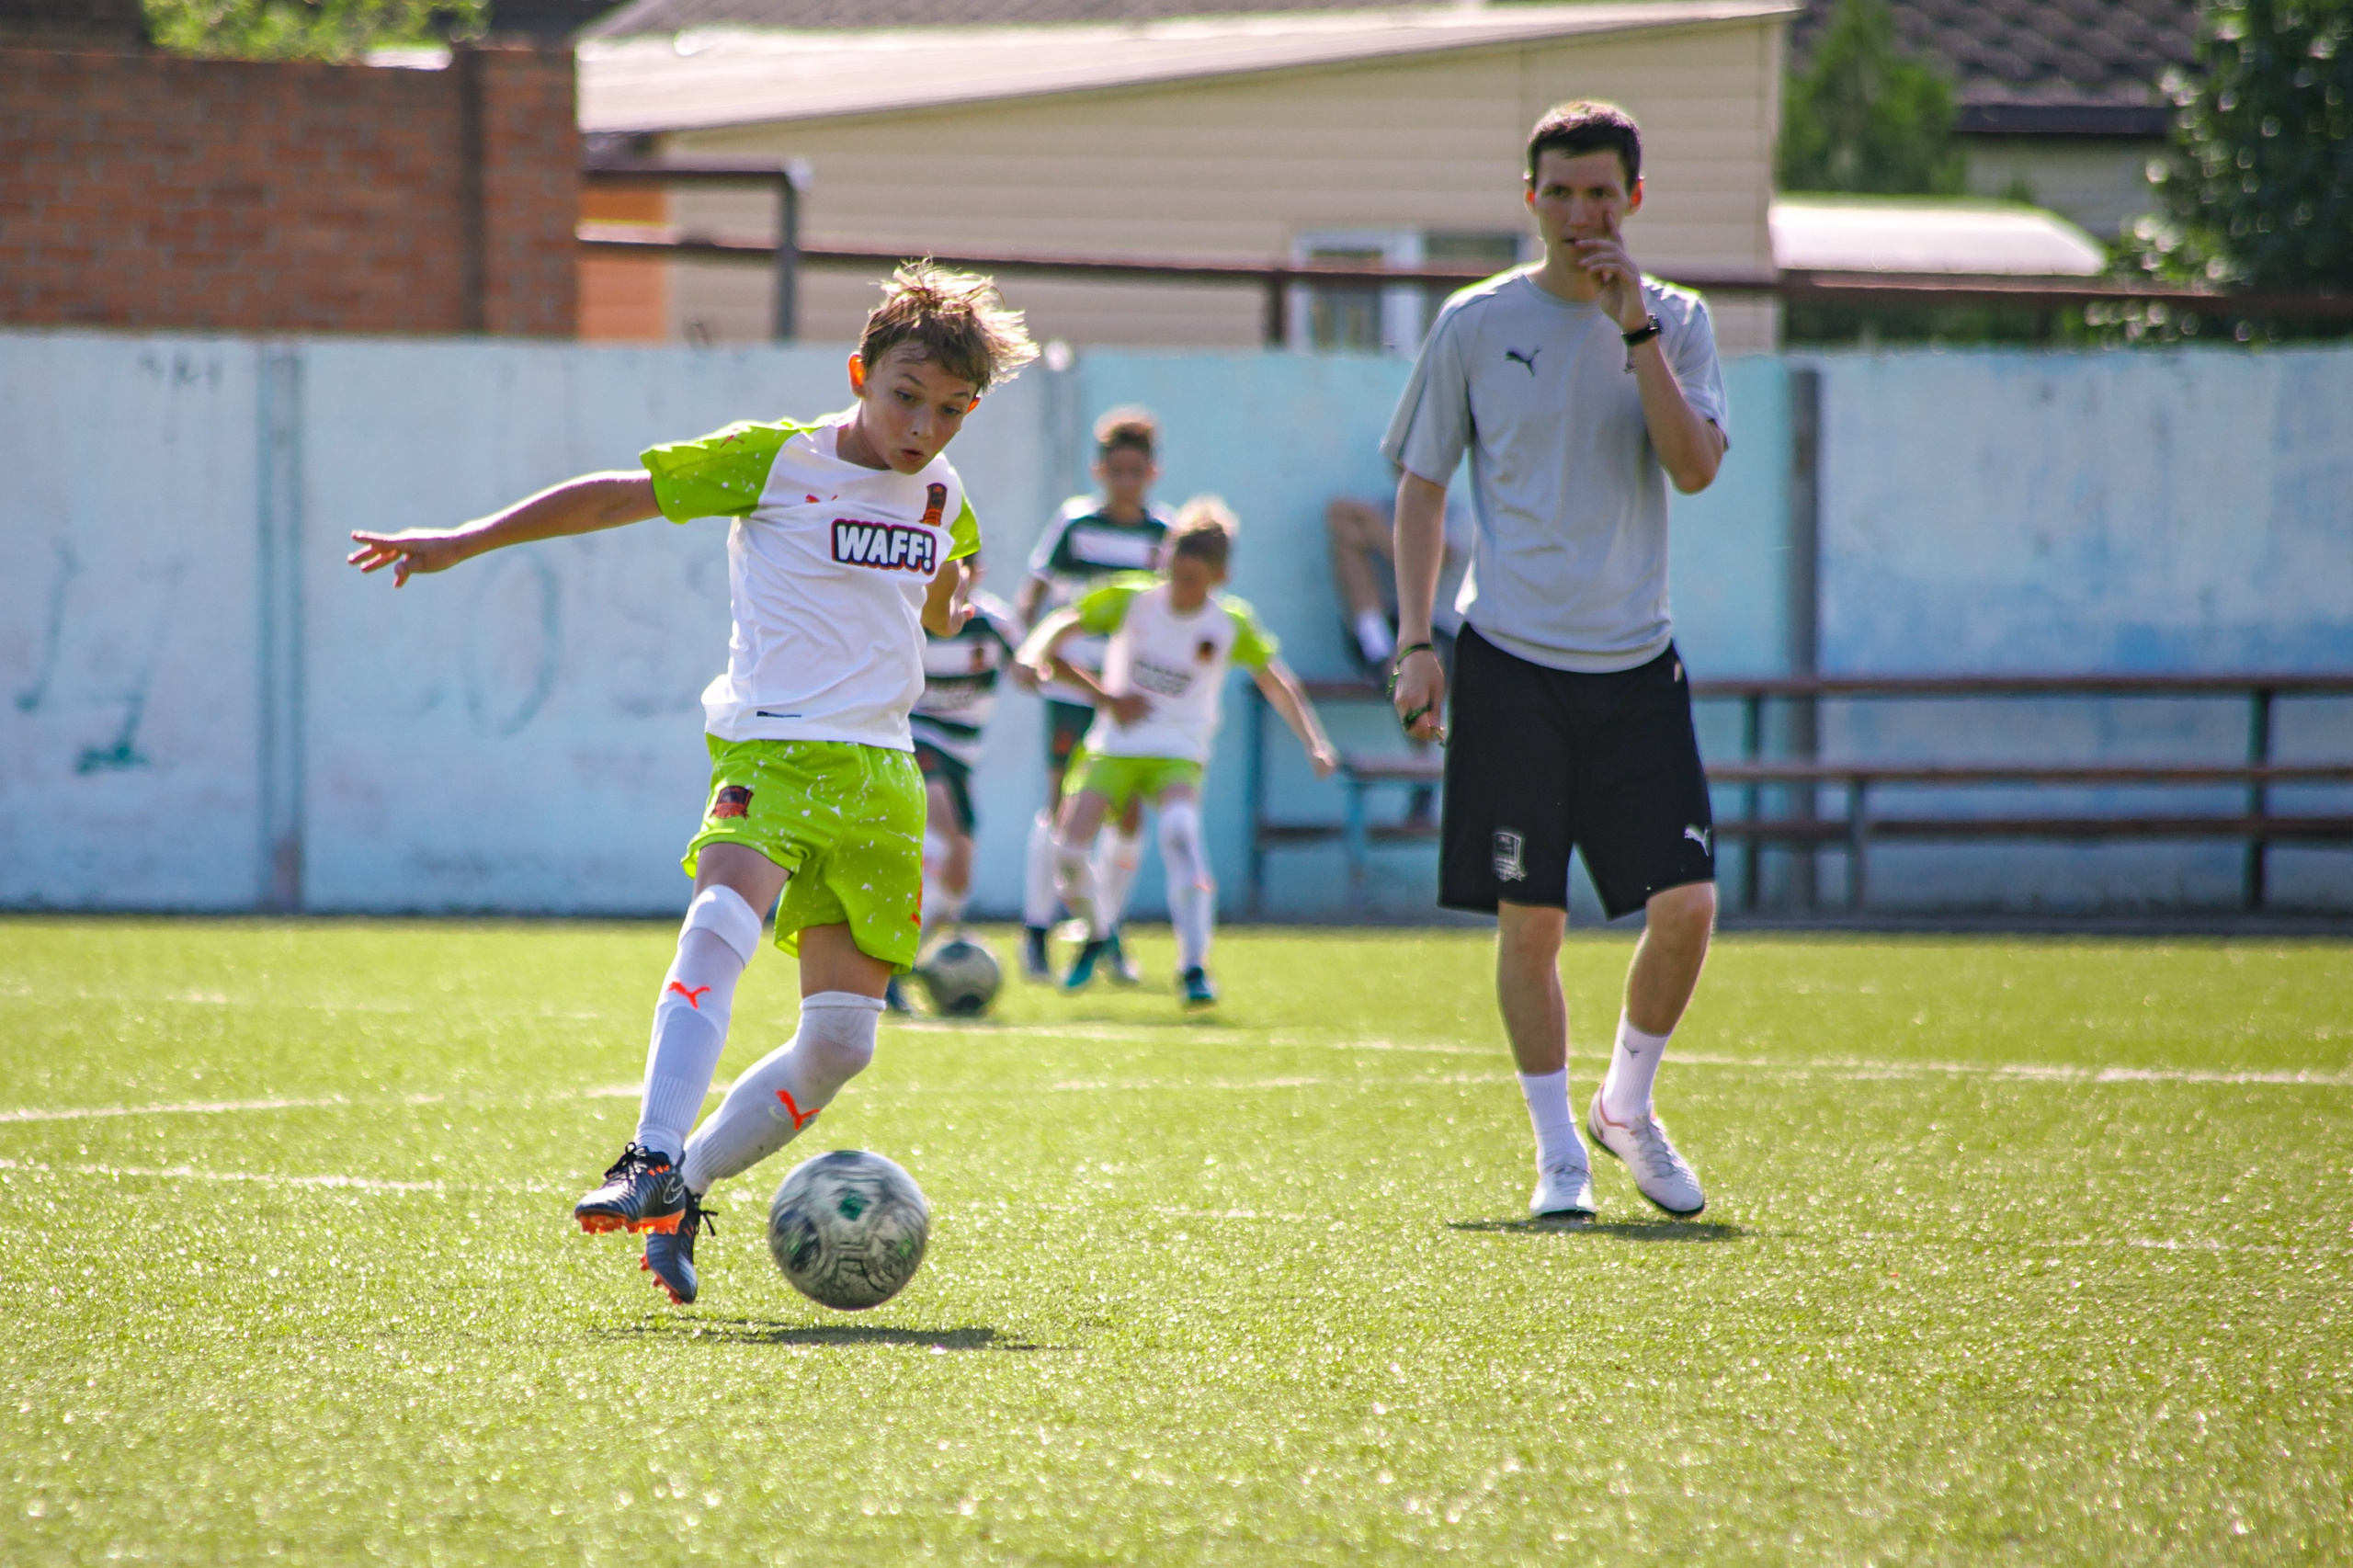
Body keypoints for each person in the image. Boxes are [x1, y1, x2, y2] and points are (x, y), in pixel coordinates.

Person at [344, 262, 1039, 1305]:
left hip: (883, 775)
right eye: (905, 395)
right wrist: (468, 539)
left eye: (951, 409)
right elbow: (617, 493)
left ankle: (684, 1185)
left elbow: (940, 603)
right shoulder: (776, 459)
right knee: (719, 913)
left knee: (842, 1043)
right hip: (770, 747)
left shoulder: (945, 493)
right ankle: (648, 1148)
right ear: (860, 373)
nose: (923, 425)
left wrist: (952, 591)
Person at [1384, 100, 1729, 1222]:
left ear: (1634, 200)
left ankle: (1623, 1106)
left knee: (1685, 906)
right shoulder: (1475, 324)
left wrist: (1635, 334)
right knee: (1530, 923)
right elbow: (1423, 486)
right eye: (1559, 191)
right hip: (1510, 666)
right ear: (1527, 196)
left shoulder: (1677, 321)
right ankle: (1557, 1157)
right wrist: (1415, 642)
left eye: (1600, 193)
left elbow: (1693, 471)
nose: (1580, 213)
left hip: (1636, 666)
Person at [1018, 498, 1339, 1006]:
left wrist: (1315, 743)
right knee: (1069, 849)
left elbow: (1278, 683)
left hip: (1178, 751)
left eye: (1194, 578)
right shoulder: (1133, 600)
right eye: (1174, 573)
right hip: (1116, 744)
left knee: (1179, 831)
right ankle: (1101, 932)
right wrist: (1035, 655)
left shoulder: (1230, 623)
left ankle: (1194, 966)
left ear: (1220, 575)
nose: (1181, 587)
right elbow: (1062, 623)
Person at [1013, 408, 1173, 985]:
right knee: (1063, 805)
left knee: (1127, 812)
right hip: (1075, 684)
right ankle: (1035, 933)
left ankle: (1105, 931)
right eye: (1116, 470)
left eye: (1136, 471)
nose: (1125, 481)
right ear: (1098, 469)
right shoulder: (1075, 525)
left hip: (1133, 696)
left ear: (1152, 472)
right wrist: (1028, 648)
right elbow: (1032, 597)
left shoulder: (1164, 536)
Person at [888, 571, 1025, 1013]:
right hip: (915, 739)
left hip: (963, 755)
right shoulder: (905, 618)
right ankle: (885, 963)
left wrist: (1039, 668)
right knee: (945, 839)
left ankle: (897, 961)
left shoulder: (994, 623)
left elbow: (1029, 661)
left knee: (959, 871)